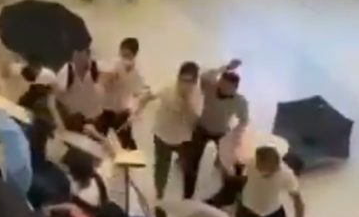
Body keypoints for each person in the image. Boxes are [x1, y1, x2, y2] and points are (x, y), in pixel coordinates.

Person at [137, 61, 202, 202]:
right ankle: (159, 192)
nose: (184, 84)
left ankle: (187, 197)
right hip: (162, 134)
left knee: (188, 168)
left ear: (195, 82)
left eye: (189, 81)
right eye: (182, 80)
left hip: (183, 139)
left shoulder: (197, 96)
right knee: (161, 167)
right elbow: (150, 95)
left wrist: (186, 103)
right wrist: (138, 108)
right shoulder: (168, 87)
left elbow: (194, 119)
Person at [184, 59, 249, 200]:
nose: (223, 87)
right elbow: (205, 76)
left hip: (222, 133)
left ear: (235, 89)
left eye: (228, 86)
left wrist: (235, 134)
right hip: (202, 127)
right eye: (222, 83)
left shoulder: (240, 101)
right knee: (191, 163)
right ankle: (187, 196)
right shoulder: (210, 87)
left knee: (227, 162)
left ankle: (229, 193)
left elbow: (244, 120)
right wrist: (226, 67)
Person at [236, 146, 306, 217]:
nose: (265, 174)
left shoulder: (286, 175)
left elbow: (298, 203)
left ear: (277, 165)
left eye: (270, 171)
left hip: (272, 211)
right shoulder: (250, 163)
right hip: (247, 208)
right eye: (260, 169)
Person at [95, 37, 146, 150]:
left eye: (127, 55)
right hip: (105, 109)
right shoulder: (112, 64)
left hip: (122, 112)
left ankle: (129, 163)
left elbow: (138, 95)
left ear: (134, 55)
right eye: (122, 54)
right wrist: (109, 79)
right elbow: (101, 81)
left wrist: (134, 114)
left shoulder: (138, 73)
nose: (124, 58)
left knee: (128, 146)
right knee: (95, 139)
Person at [55, 48, 104, 134]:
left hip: (94, 120)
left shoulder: (95, 69)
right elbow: (56, 99)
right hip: (73, 120)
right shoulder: (67, 71)